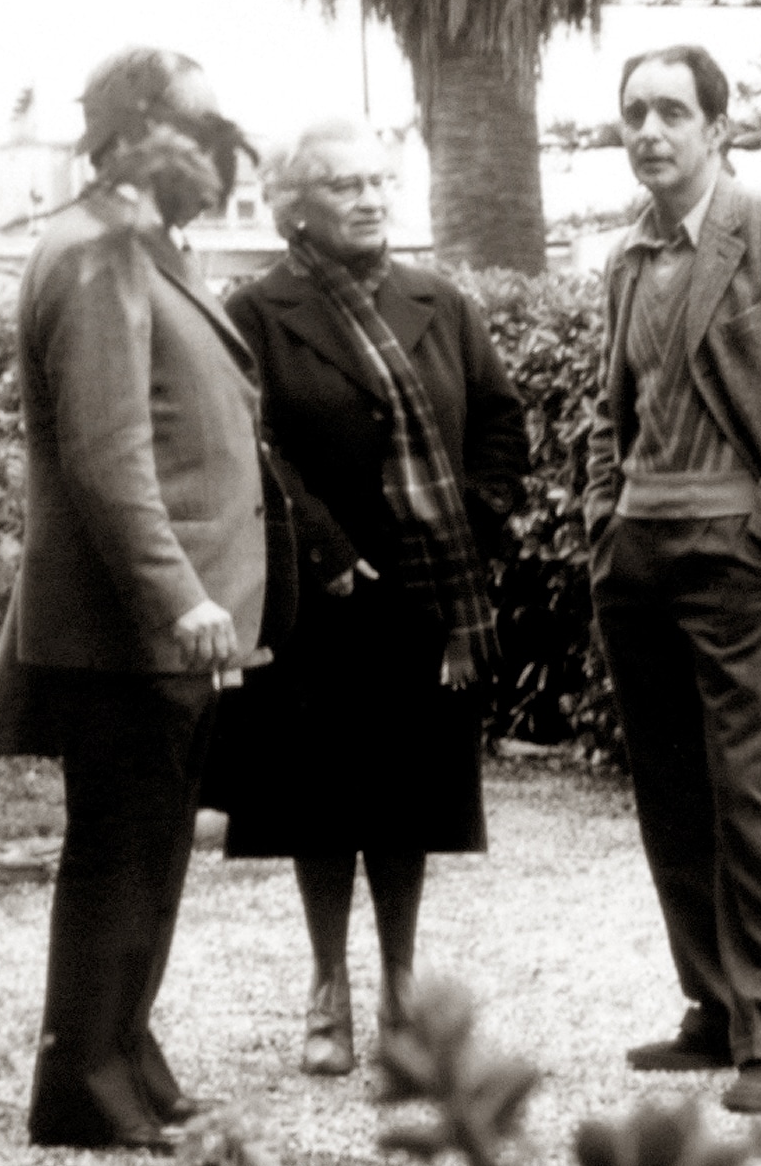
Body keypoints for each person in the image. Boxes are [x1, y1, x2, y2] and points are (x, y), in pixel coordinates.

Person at [0, 46, 267, 1150]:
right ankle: (81, 1087)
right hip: (127, 632)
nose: (222, 148)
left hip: (158, 633)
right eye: (202, 126)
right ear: (138, 134)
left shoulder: (138, 244)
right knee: (118, 852)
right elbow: (106, 457)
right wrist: (178, 597)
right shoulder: (95, 252)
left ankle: (124, 1053)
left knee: (151, 851)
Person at [582, 43, 761, 1116]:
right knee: (669, 793)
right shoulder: (629, 256)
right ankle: (713, 1005)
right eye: (634, 113)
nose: (649, 131)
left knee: (748, 794)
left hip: (733, 552)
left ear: (716, 127)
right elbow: (611, 411)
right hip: (637, 552)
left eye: (671, 111)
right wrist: (602, 524)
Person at [214, 118, 529, 1075]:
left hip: (424, 598)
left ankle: (398, 986)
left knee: (406, 800)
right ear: (295, 208)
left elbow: (499, 423)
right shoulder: (255, 312)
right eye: (344, 185)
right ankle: (327, 985)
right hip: (319, 599)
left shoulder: (440, 301)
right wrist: (328, 547)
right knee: (318, 801)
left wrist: (476, 521)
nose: (368, 198)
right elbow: (251, 447)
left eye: (378, 181)